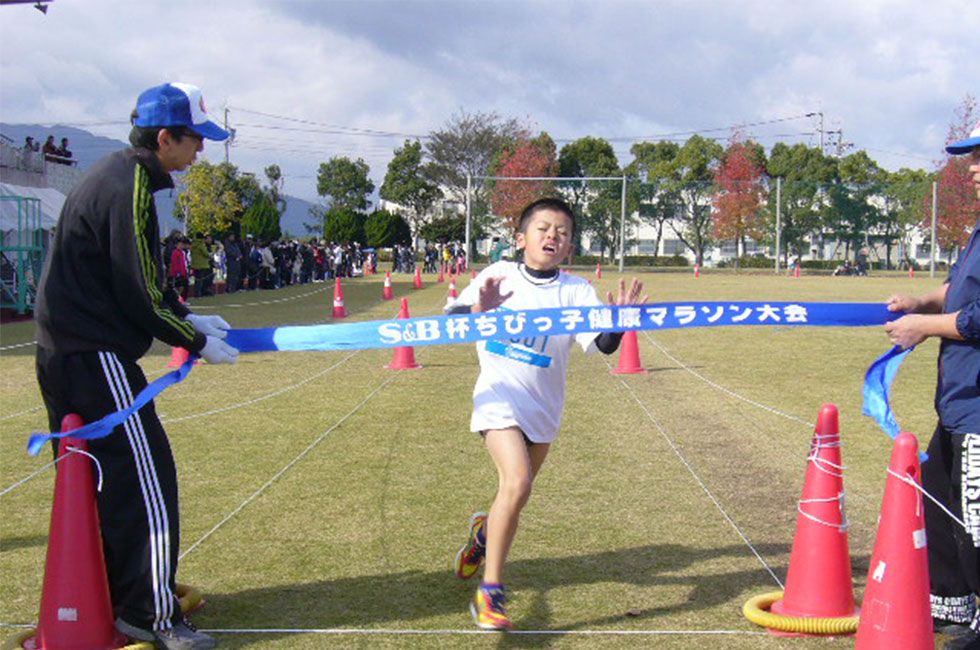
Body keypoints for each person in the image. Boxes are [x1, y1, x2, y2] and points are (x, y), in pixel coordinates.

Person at [34, 82, 238, 650]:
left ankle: (120, 596)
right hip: (93, 353)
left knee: (99, 482)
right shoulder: (128, 186)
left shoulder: (121, 177)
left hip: (67, 351)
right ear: (166, 137)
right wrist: (192, 340)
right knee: (146, 481)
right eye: (196, 140)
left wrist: (188, 316)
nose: (200, 151)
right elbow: (138, 294)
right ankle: (151, 614)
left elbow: (144, 280)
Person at [445, 197, 645, 630]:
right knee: (515, 481)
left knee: (516, 494)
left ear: (570, 246)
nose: (552, 236)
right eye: (543, 228)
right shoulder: (496, 275)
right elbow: (450, 321)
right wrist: (481, 309)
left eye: (563, 232)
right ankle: (490, 593)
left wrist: (622, 320)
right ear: (520, 238)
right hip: (497, 398)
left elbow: (604, 344)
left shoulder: (575, 291)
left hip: (544, 409)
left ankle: (482, 536)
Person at [883, 119, 980, 650]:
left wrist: (924, 327)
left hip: (979, 409)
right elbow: (961, 289)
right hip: (958, 402)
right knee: (940, 505)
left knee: (976, 520)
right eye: (972, 157)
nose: (973, 167)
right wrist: (922, 303)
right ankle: (951, 607)